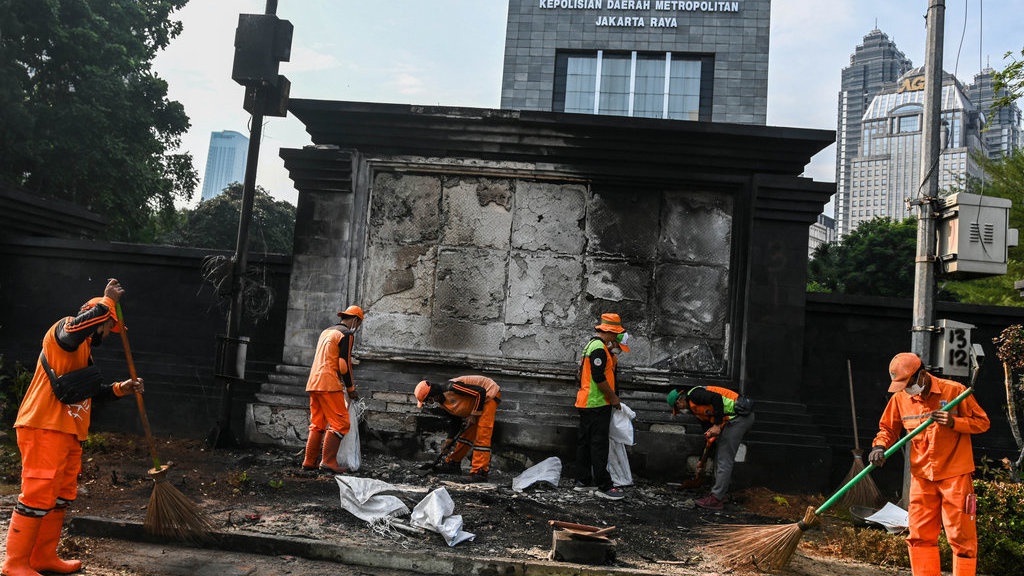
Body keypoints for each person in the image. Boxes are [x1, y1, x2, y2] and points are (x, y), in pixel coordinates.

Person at [4, 278, 144, 576]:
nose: (108, 333)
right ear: (97, 320)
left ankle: (43, 557)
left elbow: (88, 394)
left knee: (60, 496)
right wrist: (107, 302)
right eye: (108, 327)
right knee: (37, 494)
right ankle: (15, 564)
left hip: (68, 432)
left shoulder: (83, 355)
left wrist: (122, 388)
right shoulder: (62, 333)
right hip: (43, 427)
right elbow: (74, 331)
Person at [868, 352, 989, 576]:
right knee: (919, 536)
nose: (906, 389)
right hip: (922, 477)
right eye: (901, 385)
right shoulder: (900, 399)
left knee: (961, 537)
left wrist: (955, 422)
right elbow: (888, 429)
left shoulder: (954, 391)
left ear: (921, 374)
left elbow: (982, 423)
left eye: (908, 383)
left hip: (955, 475)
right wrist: (879, 447)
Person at [666, 385, 754, 510]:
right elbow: (708, 436)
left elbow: (717, 398)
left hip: (740, 416)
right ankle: (719, 494)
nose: (679, 411)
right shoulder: (696, 410)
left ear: (679, 401)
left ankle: (716, 499)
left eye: (677, 408)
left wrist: (717, 425)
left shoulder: (695, 395)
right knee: (719, 456)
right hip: (732, 419)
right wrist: (702, 462)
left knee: (724, 458)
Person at [573, 312, 630, 501]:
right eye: (615, 334)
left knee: (585, 442)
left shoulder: (592, 346)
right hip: (597, 403)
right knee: (599, 444)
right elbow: (599, 378)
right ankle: (604, 485)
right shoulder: (599, 349)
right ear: (610, 332)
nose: (615, 338)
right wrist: (613, 398)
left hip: (586, 402)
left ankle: (582, 480)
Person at [301, 305, 364, 474]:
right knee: (341, 423)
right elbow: (344, 365)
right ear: (356, 320)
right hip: (329, 383)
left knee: (318, 424)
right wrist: (351, 388)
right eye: (358, 324)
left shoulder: (326, 331)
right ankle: (328, 461)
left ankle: (309, 461)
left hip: (314, 382)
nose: (357, 328)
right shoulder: (346, 334)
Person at [414, 375, 502, 482]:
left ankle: (480, 472)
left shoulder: (452, 387)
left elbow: (480, 392)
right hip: (476, 402)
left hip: (489, 394)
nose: (429, 403)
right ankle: (453, 464)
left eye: (428, 401)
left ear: (432, 396)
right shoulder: (443, 404)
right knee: (466, 435)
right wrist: (449, 441)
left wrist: (474, 414)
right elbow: (455, 421)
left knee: (483, 433)